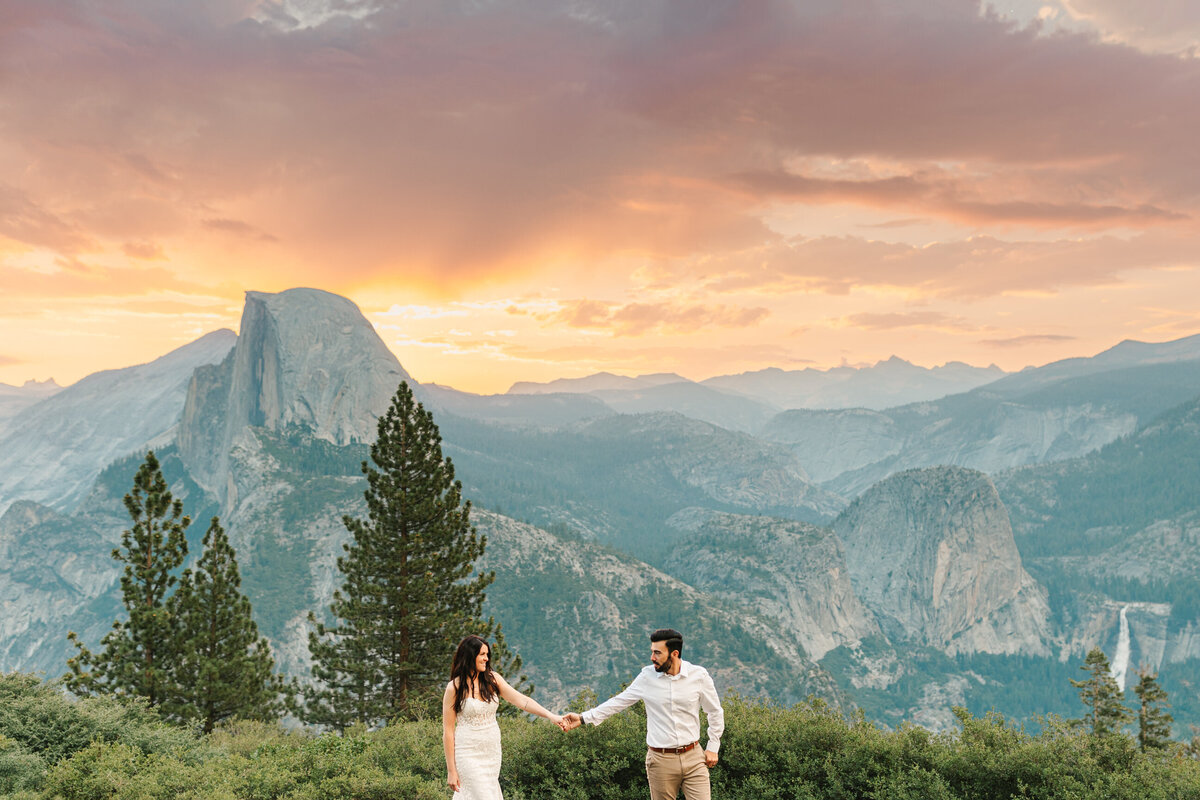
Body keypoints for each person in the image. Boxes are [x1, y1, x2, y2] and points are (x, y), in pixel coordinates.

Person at [564, 628, 724, 800]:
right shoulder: (647, 676)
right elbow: (619, 702)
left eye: (657, 653)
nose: (652, 658)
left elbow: (714, 711)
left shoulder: (698, 675)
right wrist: (582, 718)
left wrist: (713, 747)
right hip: (661, 761)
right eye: (651, 652)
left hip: (694, 757)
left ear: (674, 653)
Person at [442, 634, 567, 798]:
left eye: (487, 655)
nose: (486, 659)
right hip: (467, 752)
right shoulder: (454, 688)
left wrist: (551, 716)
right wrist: (451, 770)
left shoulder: (493, 680)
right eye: (482, 654)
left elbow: (522, 701)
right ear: (470, 656)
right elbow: (448, 731)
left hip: (492, 752)